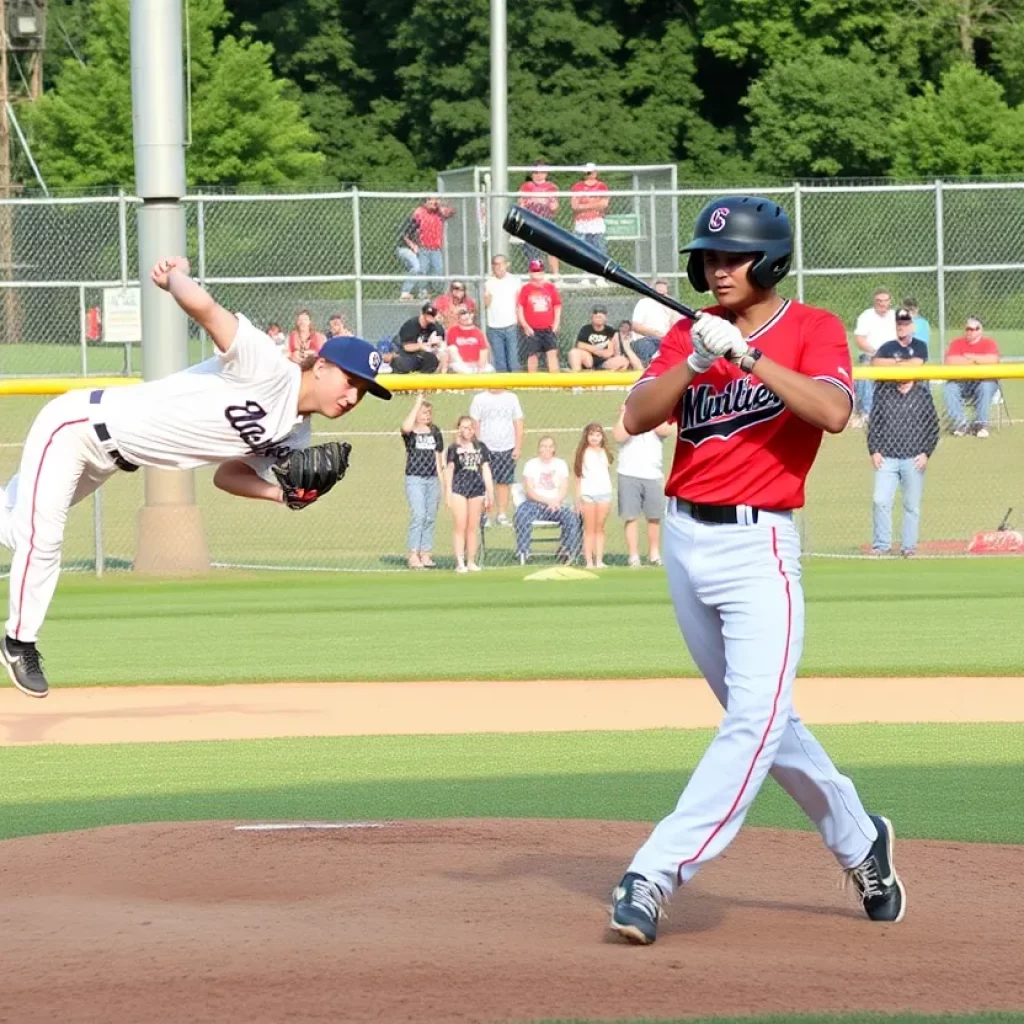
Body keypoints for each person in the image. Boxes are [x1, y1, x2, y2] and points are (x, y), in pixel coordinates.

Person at [609, 195, 905, 946]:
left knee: (752, 721)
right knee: (765, 721)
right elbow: (639, 414)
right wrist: (697, 360)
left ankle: (655, 871)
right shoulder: (688, 330)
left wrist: (746, 356)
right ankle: (860, 841)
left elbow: (832, 413)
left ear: (770, 260)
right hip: (683, 539)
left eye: (733, 257)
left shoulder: (813, 328)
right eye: (709, 258)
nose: (717, 269)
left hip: (759, 549)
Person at [0, 257, 391, 699]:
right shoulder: (266, 366)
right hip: (76, 426)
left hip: (110, 459)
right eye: (350, 380)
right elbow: (207, 310)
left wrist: (280, 495)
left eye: (363, 391)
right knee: (43, 537)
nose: (353, 395)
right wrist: (174, 279)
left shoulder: (296, 436)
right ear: (320, 367)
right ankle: (19, 641)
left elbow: (227, 476)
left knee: (17, 526)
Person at [868, 330, 939, 557]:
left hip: (913, 458)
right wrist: (874, 450)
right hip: (887, 457)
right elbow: (874, 424)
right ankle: (882, 545)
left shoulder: (922, 395)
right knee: (880, 500)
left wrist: (926, 453)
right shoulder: (884, 392)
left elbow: (933, 428)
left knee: (911, 506)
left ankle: (908, 548)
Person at [612, 404, 672, 567]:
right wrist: (627, 416)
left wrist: (650, 414)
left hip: (652, 474)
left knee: (654, 517)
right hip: (628, 472)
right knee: (631, 517)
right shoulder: (628, 420)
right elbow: (618, 436)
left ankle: (654, 554)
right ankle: (634, 556)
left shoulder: (656, 418)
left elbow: (665, 430)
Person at [514, 436, 580, 563]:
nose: (546, 449)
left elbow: (564, 488)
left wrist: (555, 501)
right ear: (539, 448)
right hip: (535, 504)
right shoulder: (531, 464)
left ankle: (566, 550)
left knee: (571, 518)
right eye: (543, 446)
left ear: (554, 449)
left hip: (556, 505)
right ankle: (523, 550)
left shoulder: (560, 464)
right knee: (521, 514)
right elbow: (529, 490)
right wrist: (546, 501)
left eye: (550, 446)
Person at [443, 416, 494, 573]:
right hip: (459, 488)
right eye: (464, 427)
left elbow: (485, 470)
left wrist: (490, 492)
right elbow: (450, 470)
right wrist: (448, 492)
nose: (467, 430)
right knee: (460, 525)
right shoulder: (454, 448)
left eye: (470, 427)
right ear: (459, 429)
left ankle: (471, 560)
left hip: (476, 488)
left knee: (473, 527)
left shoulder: (480, 447)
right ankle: (460, 561)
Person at [400, 393, 444, 570]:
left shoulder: (435, 432)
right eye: (422, 412)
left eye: (428, 413)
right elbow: (405, 427)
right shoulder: (411, 433)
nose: (426, 416)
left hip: (432, 478)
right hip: (415, 478)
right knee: (419, 514)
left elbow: (439, 458)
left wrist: (442, 483)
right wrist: (417, 402)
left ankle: (426, 552)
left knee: (430, 516)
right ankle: (413, 554)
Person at [470, 387, 524, 527]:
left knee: (504, 482)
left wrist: (517, 446)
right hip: (486, 448)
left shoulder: (511, 397)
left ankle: (501, 514)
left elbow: (518, 422)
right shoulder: (479, 398)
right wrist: (478, 446)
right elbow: (475, 423)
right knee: (483, 483)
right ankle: (484, 514)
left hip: (506, 446)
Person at [943, 317, 1001, 437]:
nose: (970, 332)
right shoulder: (957, 343)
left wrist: (971, 357)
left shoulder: (989, 343)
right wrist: (980, 360)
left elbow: (993, 360)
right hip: (962, 381)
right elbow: (951, 361)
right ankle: (961, 423)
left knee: (986, 385)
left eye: (974, 329)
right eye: (968, 329)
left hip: (984, 381)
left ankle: (980, 424)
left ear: (980, 330)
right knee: (950, 387)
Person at [851, 288, 896, 426]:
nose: (882, 304)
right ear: (874, 302)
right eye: (879, 301)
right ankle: (867, 414)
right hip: (872, 356)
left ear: (890, 301)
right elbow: (860, 339)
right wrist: (875, 352)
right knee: (864, 374)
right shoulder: (866, 316)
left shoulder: (897, 316)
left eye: (885, 301)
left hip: (895, 357)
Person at [574, 422, 614, 569]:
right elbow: (577, 477)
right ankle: (589, 561)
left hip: (604, 493)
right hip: (588, 495)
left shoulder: (605, 452)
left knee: (599, 528)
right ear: (587, 436)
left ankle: (599, 560)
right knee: (589, 529)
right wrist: (578, 499)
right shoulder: (583, 453)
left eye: (598, 435)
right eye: (591, 435)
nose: (595, 438)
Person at [517, 260, 561, 374]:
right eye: (535, 271)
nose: (537, 274)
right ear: (530, 273)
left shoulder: (550, 287)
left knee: (552, 352)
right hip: (532, 328)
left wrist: (556, 323)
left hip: (548, 327)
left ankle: (555, 381)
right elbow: (520, 308)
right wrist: (525, 326)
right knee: (532, 354)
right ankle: (533, 381)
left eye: (539, 271)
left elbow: (557, 305)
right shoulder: (526, 289)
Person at [518, 163, 560, 276]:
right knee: (532, 248)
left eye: (541, 172)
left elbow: (554, 207)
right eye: (535, 172)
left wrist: (544, 202)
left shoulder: (551, 186)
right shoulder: (526, 186)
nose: (538, 175)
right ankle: (536, 273)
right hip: (531, 221)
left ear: (546, 173)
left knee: (552, 248)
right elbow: (522, 204)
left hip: (546, 220)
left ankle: (556, 274)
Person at [631, 279, 683, 367]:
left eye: (664, 294)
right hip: (646, 340)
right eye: (658, 293)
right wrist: (656, 334)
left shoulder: (670, 306)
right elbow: (636, 326)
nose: (661, 296)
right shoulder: (645, 303)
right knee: (650, 346)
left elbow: (678, 326)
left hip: (665, 341)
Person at [570, 163, 611, 275]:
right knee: (582, 250)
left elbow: (604, 204)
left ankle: (601, 275)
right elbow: (575, 206)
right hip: (581, 222)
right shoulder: (577, 186)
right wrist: (594, 204)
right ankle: (585, 275)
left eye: (591, 172)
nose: (589, 175)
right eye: (587, 173)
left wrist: (584, 206)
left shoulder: (602, 186)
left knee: (599, 249)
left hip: (596, 222)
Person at [484, 254, 522, 373]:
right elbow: (485, 305)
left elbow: (518, 302)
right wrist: (486, 298)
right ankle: (502, 386)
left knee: (513, 359)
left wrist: (521, 321)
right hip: (494, 327)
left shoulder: (514, 281)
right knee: (500, 361)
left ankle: (515, 383)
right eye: (495, 264)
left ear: (507, 265)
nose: (499, 267)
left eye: (501, 264)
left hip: (511, 325)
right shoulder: (488, 282)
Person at [412, 196, 455, 297]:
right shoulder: (420, 211)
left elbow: (451, 212)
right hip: (424, 247)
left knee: (439, 270)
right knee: (423, 270)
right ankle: (422, 292)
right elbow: (412, 226)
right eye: (430, 200)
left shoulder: (438, 212)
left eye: (434, 200)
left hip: (435, 248)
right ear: (425, 202)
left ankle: (437, 292)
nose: (432, 203)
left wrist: (438, 207)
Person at [391, 303, 448, 375]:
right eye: (428, 314)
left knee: (440, 355)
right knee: (403, 362)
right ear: (422, 313)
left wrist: (437, 346)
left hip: (426, 354)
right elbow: (407, 347)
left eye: (433, 314)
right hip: (408, 354)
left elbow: (440, 345)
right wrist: (425, 345)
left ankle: (440, 382)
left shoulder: (437, 327)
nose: (430, 316)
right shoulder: (411, 325)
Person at [568, 306, 630, 371]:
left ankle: (603, 375)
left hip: (604, 362)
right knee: (573, 353)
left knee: (623, 361)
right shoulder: (586, 329)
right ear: (592, 317)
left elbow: (609, 353)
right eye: (596, 313)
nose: (599, 315)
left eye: (602, 313)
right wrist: (596, 350)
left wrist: (591, 349)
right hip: (589, 359)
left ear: (605, 318)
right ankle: (577, 377)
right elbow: (580, 345)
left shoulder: (610, 331)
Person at [446, 307, 493, 374]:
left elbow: (483, 350)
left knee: (490, 369)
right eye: (462, 314)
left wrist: (480, 369)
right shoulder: (452, 331)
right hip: (460, 365)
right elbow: (452, 352)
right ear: (458, 318)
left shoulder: (478, 332)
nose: (465, 316)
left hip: (476, 364)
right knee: (451, 349)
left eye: (467, 313)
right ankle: (467, 373)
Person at [396, 208, 423, 301]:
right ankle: (405, 292)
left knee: (416, 269)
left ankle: (420, 292)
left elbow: (418, 236)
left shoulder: (419, 223)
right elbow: (404, 235)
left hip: (411, 250)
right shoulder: (410, 222)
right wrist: (413, 246)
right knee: (416, 267)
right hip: (404, 249)